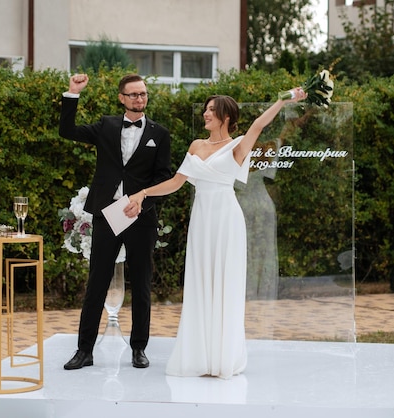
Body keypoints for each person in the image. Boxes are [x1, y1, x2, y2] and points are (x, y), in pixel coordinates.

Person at [124, 88, 306, 378]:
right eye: (205, 109)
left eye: (211, 110)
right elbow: (176, 182)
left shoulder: (237, 146)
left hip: (226, 219)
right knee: (200, 282)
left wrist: (284, 98)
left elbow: (259, 124)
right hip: (202, 219)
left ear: (226, 116)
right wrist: (143, 193)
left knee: (224, 284)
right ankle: (198, 356)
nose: (206, 114)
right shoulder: (196, 145)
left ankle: (222, 357)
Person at [59, 73, 172, 370]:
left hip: (141, 218)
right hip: (108, 216)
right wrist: (73, 93)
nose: (139, 99)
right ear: (121, 97)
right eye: (133, 94)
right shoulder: (106, 125)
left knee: (142, 285)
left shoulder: (160, 134)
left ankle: (139, 349)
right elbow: (67, 130)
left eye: (143, 94)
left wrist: (142, 201)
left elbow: (164, 178)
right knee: (96, 282)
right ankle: (84, 351)